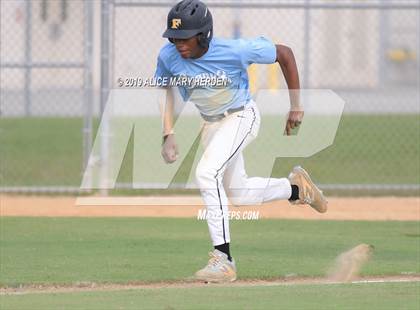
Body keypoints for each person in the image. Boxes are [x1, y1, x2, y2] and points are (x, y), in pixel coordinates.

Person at [155, 0, 327, 283]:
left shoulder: (234, 50)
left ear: (204, 34)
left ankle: (223, 259)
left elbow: (285, 53)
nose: (179, 43)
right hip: (211, 124)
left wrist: (296, 105)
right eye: (174, 37)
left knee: (205, 173)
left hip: (241, 116)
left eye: (186, 37)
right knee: (240, 193)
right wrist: (167, 132)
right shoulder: (168, 55)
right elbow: (164, 87)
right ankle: (296, 189)